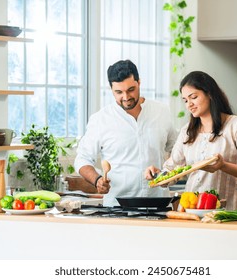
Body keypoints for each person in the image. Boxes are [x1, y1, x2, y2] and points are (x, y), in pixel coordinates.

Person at [145, 71, 237, 210]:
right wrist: (158, 175)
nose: (189, 104)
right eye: (185, 100)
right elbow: (172, 168)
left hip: (223, 213)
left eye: (193, 97)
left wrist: (223, 165)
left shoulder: (235, 126)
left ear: (209, 93)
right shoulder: (187, 131)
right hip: (190, 212)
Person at [74, 60, 178, 206]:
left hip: (159, 204)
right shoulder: (100, 120)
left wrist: (167, 173)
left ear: (139, 82)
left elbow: (177, 151)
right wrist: (97, 180)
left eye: (131, 89)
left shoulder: (161, 111)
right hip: (117, 207)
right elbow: (82, 159)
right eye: (118, 92)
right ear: (111, 89)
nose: (126, 97)